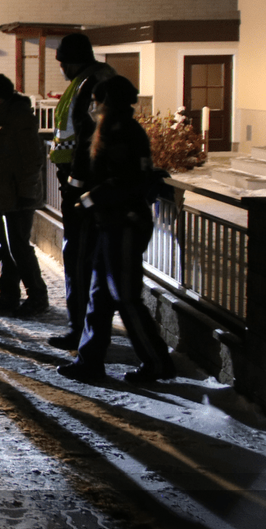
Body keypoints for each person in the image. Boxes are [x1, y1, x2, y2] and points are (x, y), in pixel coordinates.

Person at [58, 76, 175, 383]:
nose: (93, 107)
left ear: (107, 102)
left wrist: (88, 200)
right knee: (99, 296)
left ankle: (157, 361)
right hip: (109, 223)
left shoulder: (121, 131)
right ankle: (89, 360)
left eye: (97, 100)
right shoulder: (113, 128)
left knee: (124, 296)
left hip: (123, 224)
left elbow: (125, 180)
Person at [47, 33, 118, 349]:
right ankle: (83, 329)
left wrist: (76, 187)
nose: (60, 66)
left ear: (72, 59)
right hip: (82, 184)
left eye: (62, 60)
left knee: (80, 258)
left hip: (84, 187)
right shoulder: (87, 81)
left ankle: (82, 332)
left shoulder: (92, 85)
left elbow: (89, 140)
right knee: (81, 257)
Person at [0, 75, 51, 316]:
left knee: (18, 247)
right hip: (4, 195)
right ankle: (8, 296)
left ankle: (37, 296)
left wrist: (26, 193)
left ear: (0, 96)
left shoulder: (18, 120)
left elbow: (32, 160)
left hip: (18, 197)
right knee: (7, 247)